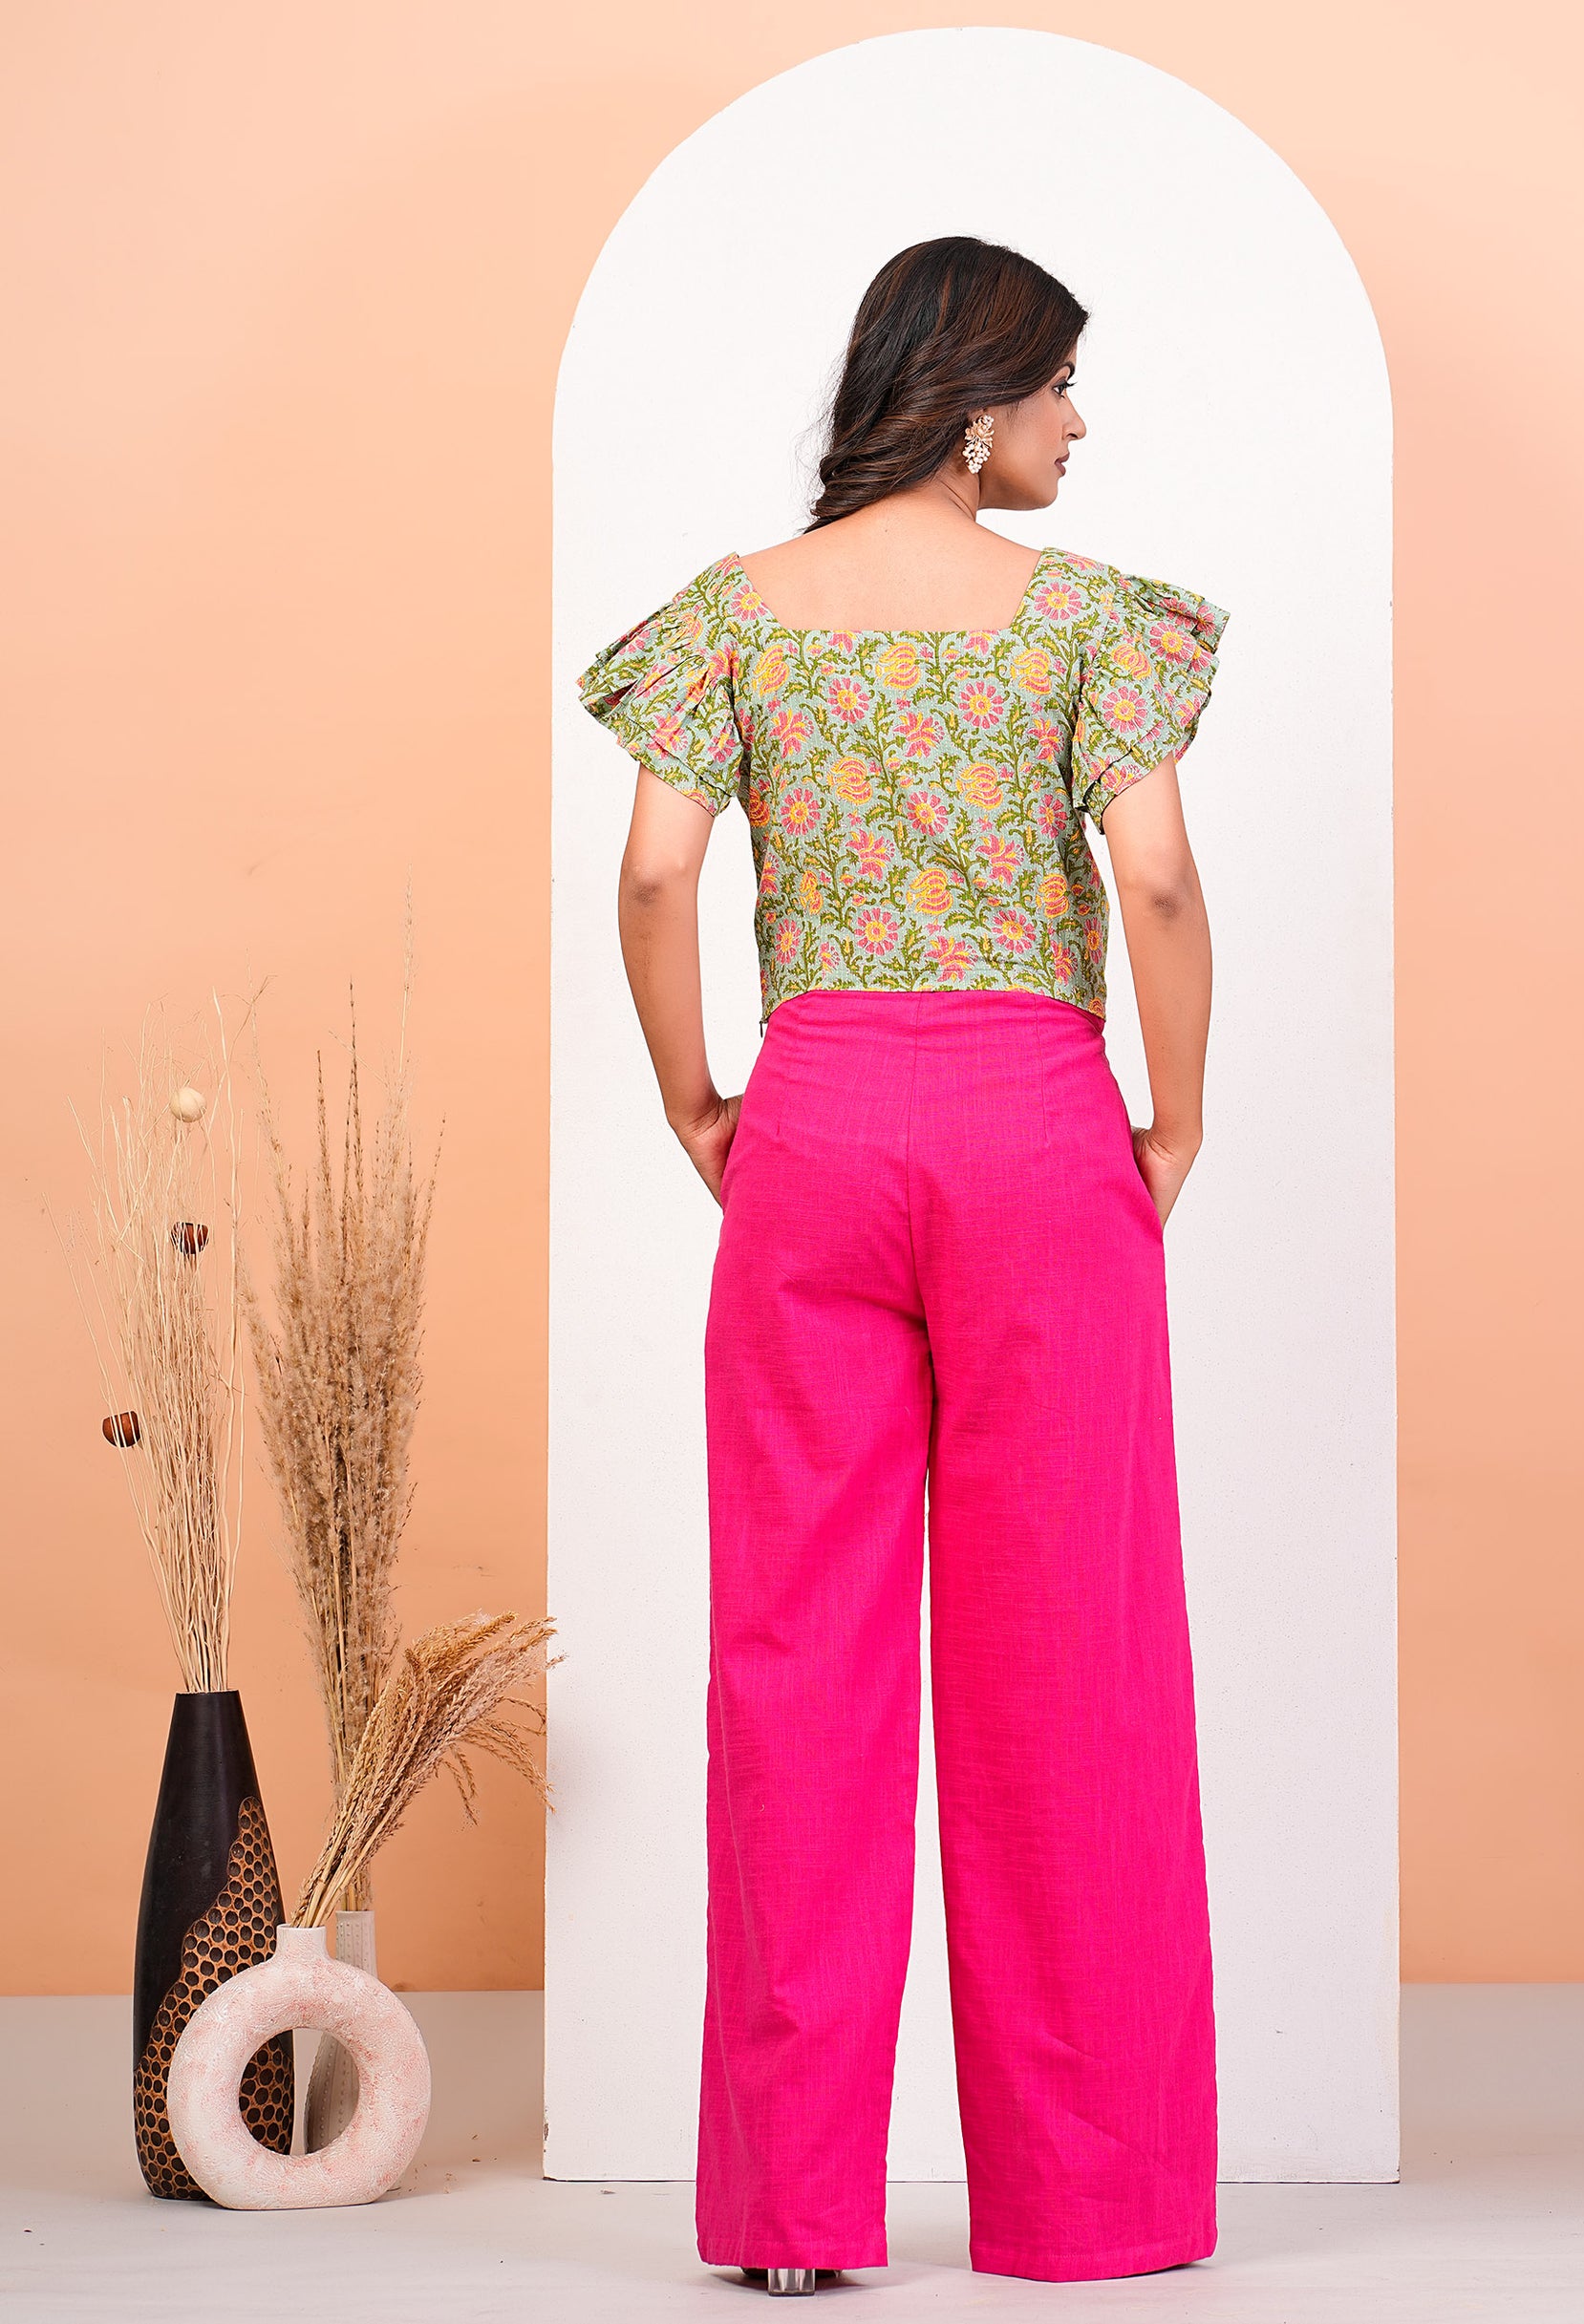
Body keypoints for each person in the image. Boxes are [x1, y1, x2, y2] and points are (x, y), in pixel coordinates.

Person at [577, 235, 1224, 2294]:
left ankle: (789, 2218)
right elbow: (1155, 879)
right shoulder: (1086, 623)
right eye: (1060, 386)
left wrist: (697, 1104)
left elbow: (657, 871)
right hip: (1037, 1129)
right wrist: (1173, 1119)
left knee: (797, 1662)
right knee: (1073, 1663)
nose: (1077, 423)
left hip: (817, 1126)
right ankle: (1093, 2206)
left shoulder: (733, 615)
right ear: (974, 402)